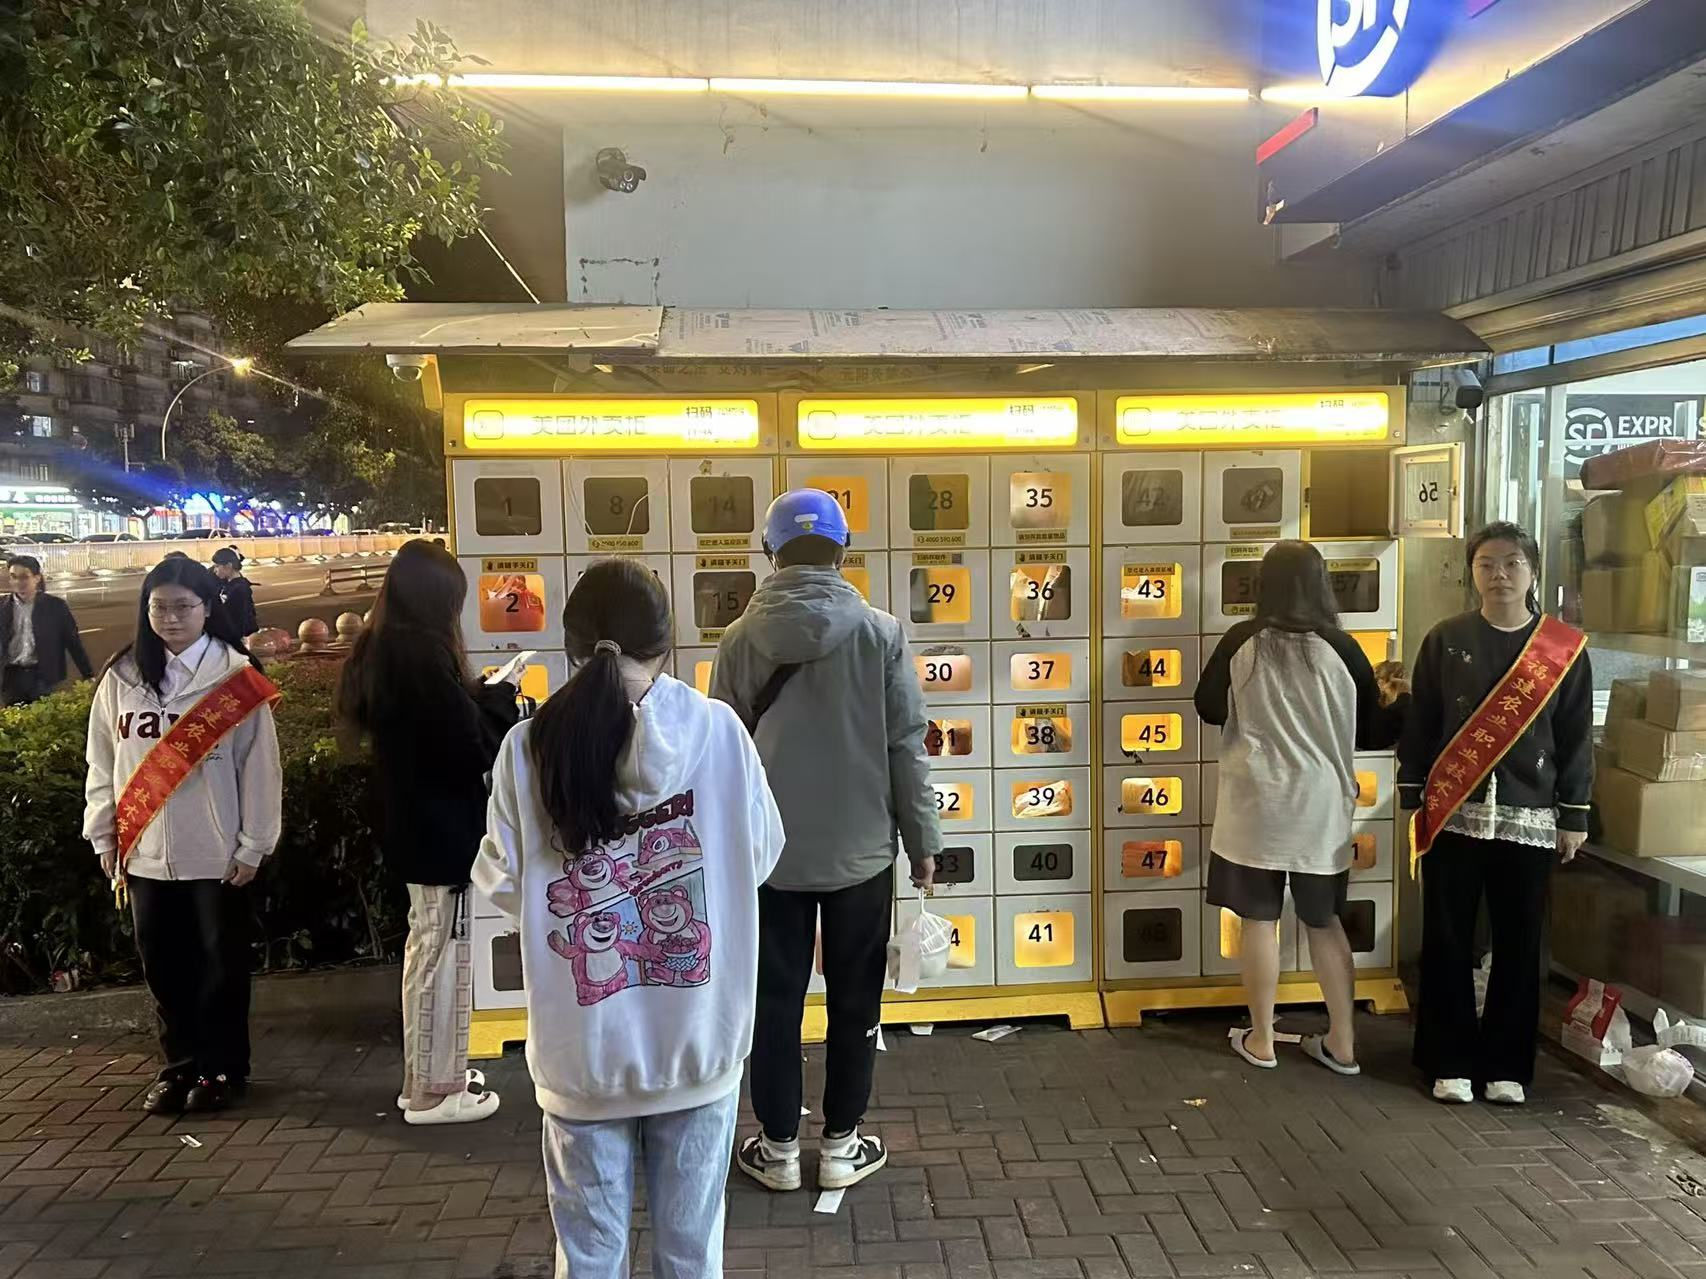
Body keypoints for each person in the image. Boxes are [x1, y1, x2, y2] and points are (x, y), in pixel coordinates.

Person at [475, 558, 784, 1278]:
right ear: (666, 644)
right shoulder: (720, 732)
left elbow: (502, 882)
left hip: (582, 1054)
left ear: (571, 646)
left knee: (589, 1258)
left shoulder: (528, 746)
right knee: (691, 1254)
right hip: (698, 1045)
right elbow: (762, 854)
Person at [711, 489, 941, 1194]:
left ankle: (778, 1146)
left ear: (770, 552)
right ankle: (842, 1144)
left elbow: (721, 755)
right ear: (843, 551)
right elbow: (906, 743)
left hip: (768, 858)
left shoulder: (739, 639)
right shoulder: (882, 633)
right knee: (855, 998)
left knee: (773, 1001)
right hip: (861, 853)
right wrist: (922, 840)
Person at [1194, 540, 1408, 1075]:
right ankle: (1343, 1044)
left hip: (1254, 804)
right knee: (1323, 921)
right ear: (1321, 585)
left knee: (1257, 921)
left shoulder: (1241, 639)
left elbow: (1207, 707)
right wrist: (1401, 699)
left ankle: (1262, 1040)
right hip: (1320, 807)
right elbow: (1372, 732)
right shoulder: (1342, 646)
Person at [1401, 521, 1592, 1106]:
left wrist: (1574, 815)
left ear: (1533, 572)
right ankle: (1449, 1060)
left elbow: (1575, 736)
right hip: (1454, 812)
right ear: (1472, 572)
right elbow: (1422, 721)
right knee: (1448, 939)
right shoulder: (1446, 638)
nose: (1499, 575)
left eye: (1512, 563)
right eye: (1486, 564)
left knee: (1519, 943)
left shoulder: (1562, 648)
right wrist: (1413, 794)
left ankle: (1507, 1065)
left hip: (1528, 813)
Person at [82, 557, 282, 1113]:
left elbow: (260, 769)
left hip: (217, 853)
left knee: (221, 965)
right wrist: (104, 836)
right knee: (162, 965)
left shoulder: (235, 679)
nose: (170, 618)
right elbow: (103, 763)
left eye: (183, 607)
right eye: (159, 607)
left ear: (207, 609)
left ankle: (223, 1069)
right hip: (143, 849)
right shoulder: (122, 676)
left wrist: (254, 844)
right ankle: (179, 1066)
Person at [336, 539, 517, 1126]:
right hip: (440, 830)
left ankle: (426, 1077)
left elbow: (442, 724)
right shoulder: (419, 654)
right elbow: (466, 744)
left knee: (428, 950)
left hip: (414, 824)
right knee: (444, 957)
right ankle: (438, 1094)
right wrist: (501, 701)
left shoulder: (383, 646)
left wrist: (479, 694)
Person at [3, 554, 93, 705]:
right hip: (11, 677)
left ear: (37, 578)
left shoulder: (55, 606)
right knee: (15, 718)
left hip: (42, 676)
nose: (18, 582)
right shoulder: (3, 607)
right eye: (13, 577)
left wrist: (88, 674)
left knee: (43, 716)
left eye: (24, 577)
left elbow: (73, 642)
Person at [211, 547, 259, 637]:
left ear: (228, 566)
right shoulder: (227, 584)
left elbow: (240, 620)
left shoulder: (239, 589)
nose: (215, 570)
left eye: (217, 566)